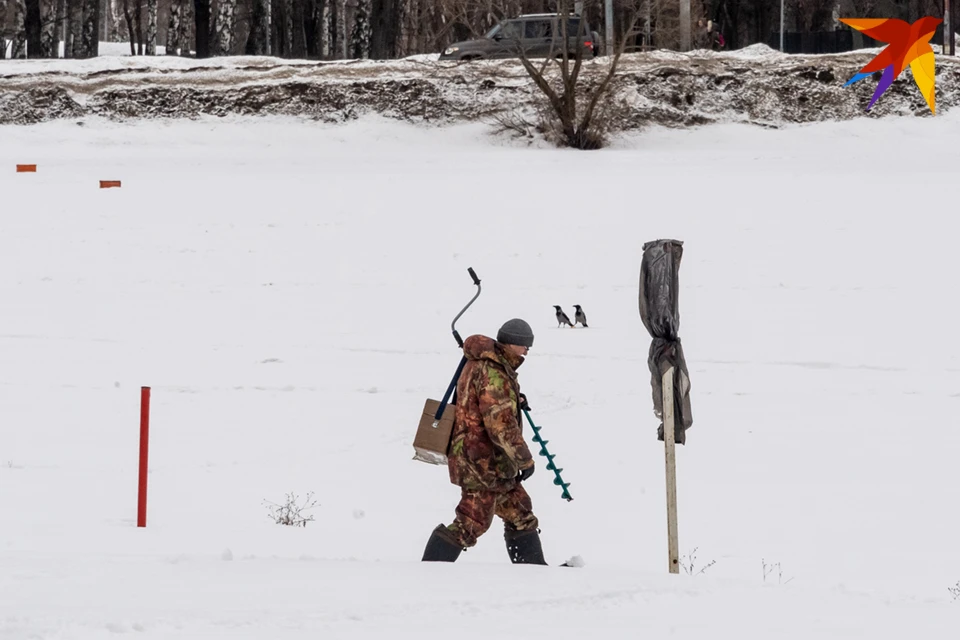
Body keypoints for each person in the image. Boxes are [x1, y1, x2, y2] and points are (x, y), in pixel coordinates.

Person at [420, 318, 546, 565]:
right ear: (510, 344)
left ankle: (534, 572)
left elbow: (481, 403)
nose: (527, 350)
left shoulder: (481, 364)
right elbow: (500, 426)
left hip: (492, 463)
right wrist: (525, 460)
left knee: (520, 512)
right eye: (523, 345)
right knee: (470, 523)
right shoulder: (493, 372)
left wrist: (513, 399)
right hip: (482, 463)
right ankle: (431, 571)